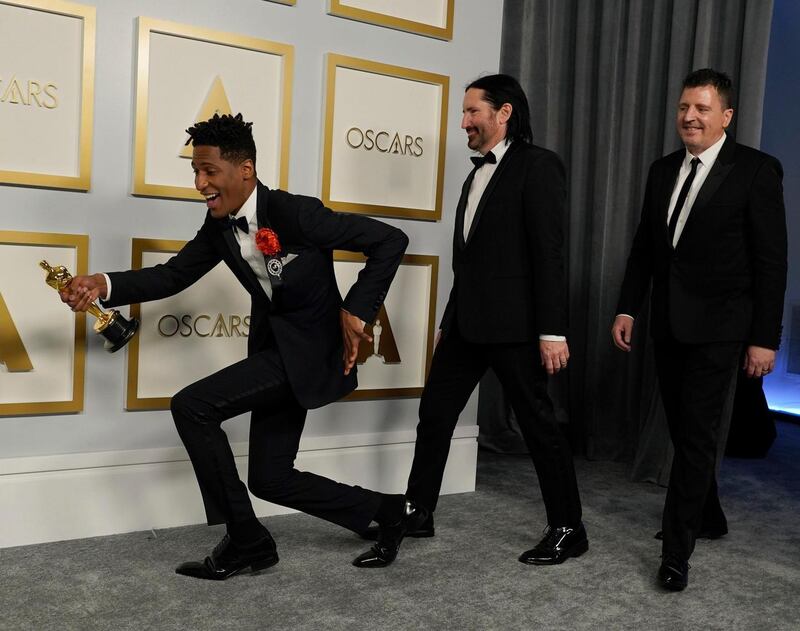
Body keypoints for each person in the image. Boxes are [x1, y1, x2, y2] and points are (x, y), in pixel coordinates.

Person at [62, 113, 410, 580]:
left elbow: (390, 240)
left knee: (193, 406)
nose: (199, 184)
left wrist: (356, 309)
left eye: (209, 171)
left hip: (311, 352)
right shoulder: (220, 226)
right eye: (195, 172)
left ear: (245, 169)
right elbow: (173, 275)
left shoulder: (296, 213)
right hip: (274, 351)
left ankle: (247, 541)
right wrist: (102, 284)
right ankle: (390, 512)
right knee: (270, 478)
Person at [353, 74, 586, 568]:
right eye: (463, 113)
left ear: (504, 113)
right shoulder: (474, 175)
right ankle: (419, 511)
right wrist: (449, 319)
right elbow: (470, 260)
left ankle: (569, 527)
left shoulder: (539, 166)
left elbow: (549, 255)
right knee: (435, 414)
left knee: (538, 425)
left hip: (517, 327)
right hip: (466, 325)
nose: (463, 122)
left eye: (472, 111)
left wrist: (552, 331)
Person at [612, 69, 787, 591]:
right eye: (684, 107)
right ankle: (708, 515)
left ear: (725, 116)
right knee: (684, 427)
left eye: (702, 109)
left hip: (721, 328)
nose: (690, 117)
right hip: (667, 324)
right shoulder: (662, 169)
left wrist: (765, 338)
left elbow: (771, 263)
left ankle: (676, 550)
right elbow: (645, 247)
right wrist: (627, 309)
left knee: (696, 435)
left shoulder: (756, 170)